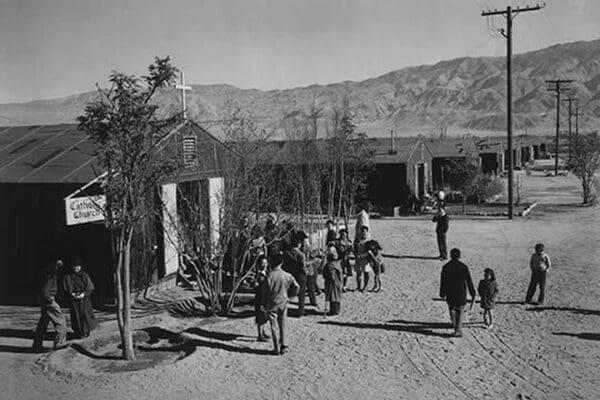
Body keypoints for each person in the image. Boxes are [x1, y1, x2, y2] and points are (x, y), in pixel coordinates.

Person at [266, 242, 300, 355]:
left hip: (272, 302)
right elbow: (296, 286)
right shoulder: (287, 275)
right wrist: (292, 296)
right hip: (284, 301)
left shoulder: (269, 276)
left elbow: (265, 291)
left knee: (273, 326)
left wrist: (264, 304)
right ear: (281, 262)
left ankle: (276, 347)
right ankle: (284, 345)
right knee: (283, 324)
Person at [32, 259, 68, 352]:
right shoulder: (51, 276)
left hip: (44, 301)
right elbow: (45, 291)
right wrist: (50, 299)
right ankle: (59, 344)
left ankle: (37, 345)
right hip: (48, 301)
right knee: (61, 321)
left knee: (43, 321)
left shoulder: (44, 274)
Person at [439, 248, 476, 337]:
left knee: (452, 309)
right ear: (459, 256)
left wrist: (442, 292)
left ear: (451, 256)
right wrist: (472, 292)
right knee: (460, 311)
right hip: (461, 292)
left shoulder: (446, 267)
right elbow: (469, 281)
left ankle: (454, 324)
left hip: (450, 292)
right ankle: (458, 330)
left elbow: (443, 281)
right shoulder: (463, 267)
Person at [283, 231, 315, 317]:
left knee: (289, 292)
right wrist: (306, 269)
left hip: (291, 273)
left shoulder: (288, 252)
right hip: (301, 274)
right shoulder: (301, 254)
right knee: (302, 293)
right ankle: (301, 311)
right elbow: (304, 264)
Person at [63, 259, 97, 338]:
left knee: (85, 315)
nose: (76, 268)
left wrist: (84, 294)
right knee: (75, 315)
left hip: (84, 299)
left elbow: (89, 287)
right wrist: (72, 294)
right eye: (75, 266)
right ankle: (78, 332)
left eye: (78, 266)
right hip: (73, 299)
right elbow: (66, 288)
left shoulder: (84, 275)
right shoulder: (68, 276)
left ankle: (85, 331)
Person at [253, 255, 270, 342]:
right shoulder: (258, 274)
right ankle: (260, 335)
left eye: (266, 263)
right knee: (260, 316)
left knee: (264, 316)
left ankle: (263, 331)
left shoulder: (266, 272)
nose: (264, 265)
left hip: (265, 297)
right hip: (260, 298)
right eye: (263, 263)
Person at [322, 244, 343, 315]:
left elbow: (331, 274)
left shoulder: (331, 264)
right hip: (338, 282)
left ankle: (334, 311)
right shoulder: (337, 263)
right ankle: (336, 310)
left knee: (333, 296)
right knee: (336, 296)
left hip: (333, 283)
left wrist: (328, 279)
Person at [353, 226, 372, 292]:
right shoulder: (357, 240)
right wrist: (356, 254)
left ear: (367, 232)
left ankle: (365, 286)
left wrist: (362, 255)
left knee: (366, 273)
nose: (363, 233)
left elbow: (370, 251)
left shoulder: (369, 241)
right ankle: (358, 286)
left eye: (365, 231)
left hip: (365, 259)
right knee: (358, 273)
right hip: (358, 259)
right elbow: (354, 249)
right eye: (362, 231)